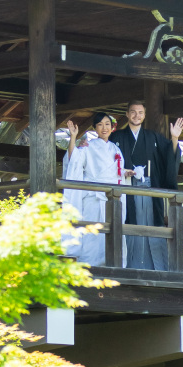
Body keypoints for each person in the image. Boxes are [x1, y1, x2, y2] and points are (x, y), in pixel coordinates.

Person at [110, 101, 183, 271]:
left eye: (140, 113)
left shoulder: (153, 137)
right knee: (129, 221)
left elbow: (169, 155)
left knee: (152, 222)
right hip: (127, 188)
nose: (136, 116)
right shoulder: (117, 137)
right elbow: (106, 158)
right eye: (133, 112)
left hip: (150, 188)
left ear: (144, 115)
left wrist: (174, 138)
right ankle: (127, 265)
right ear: (127, 114)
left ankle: (156, 267)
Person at [61, 112, 127, 267]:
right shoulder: (88, 146)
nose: (104, 128)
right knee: (92, 232)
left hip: (113, 197)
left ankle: (111, 264)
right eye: (100, 125)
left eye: (107, 124)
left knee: (111, 231)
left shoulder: (116, 149)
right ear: (95, 128)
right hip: (94, 196)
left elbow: (117, 173)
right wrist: (73, 137)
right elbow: (74, 160)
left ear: (112, 127)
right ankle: (89, 265)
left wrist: (126, 173)